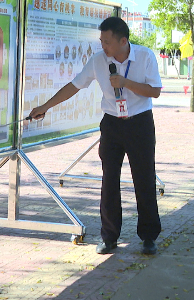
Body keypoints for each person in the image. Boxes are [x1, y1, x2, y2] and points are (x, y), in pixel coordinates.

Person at [28, 17, 163, 255]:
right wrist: (45, 106)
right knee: (109, 180)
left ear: (123, 41)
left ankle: (149, 236)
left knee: (144, 179)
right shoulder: (98, 60)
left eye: (107, 42)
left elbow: (155, 91)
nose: (103, 46)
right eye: (101, 41)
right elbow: (74, 86)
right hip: (112, 124)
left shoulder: (145, 56)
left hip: (140, 123)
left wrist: (125, 82)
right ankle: (109, 236)